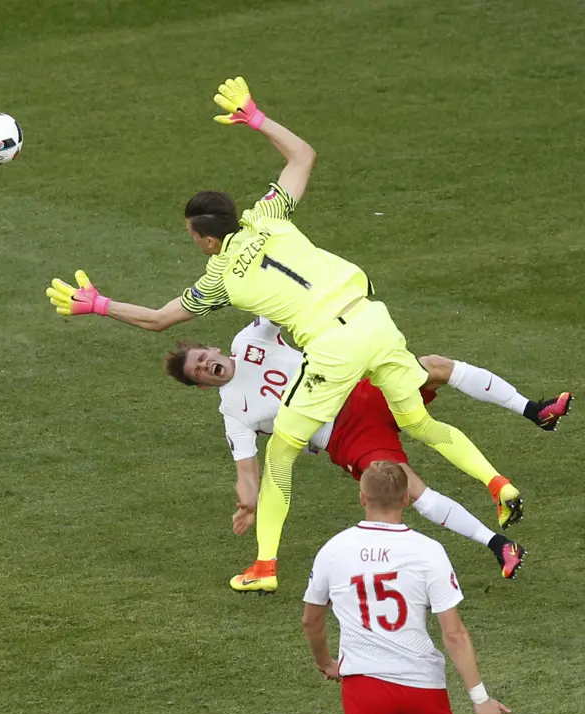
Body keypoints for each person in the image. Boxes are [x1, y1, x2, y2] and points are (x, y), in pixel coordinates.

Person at [47, 76, 526, 592]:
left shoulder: (220, 279)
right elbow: (303, 157)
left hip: (335, 351)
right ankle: (498, 484)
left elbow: (160, 318)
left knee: (282, 455)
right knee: (419, 419)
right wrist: (255, 117)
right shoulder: (265, 216)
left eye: (193, 237)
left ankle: (265, 567)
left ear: (208, 240)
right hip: (373, 317)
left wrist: (99, 305)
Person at [164, 318, 569, 586]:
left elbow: (285, 305)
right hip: (344, 436)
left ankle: (536, 411)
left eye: (203, 359)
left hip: (361, 387)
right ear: (201, 386)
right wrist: (249, 504)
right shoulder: (233, 412)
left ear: (214, 349)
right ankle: (500, 546)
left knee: (434, 366)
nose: (205, 367)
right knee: (409, 490)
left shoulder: (249, 338)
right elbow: (248, 471)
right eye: (198, 372)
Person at [302, 461, 511, 714]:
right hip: (422, 687)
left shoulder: (333, 550)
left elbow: (311, 620)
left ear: (362, 497)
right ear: (405, 498)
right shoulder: (428, 551)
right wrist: (481, 699)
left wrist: (326, 663)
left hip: (365, 688)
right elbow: (454, 634)